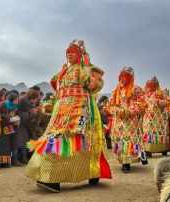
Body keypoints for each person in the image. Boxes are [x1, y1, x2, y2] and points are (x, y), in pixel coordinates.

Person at [26, 40, 111, 192]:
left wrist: (86, 66)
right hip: (61, 110)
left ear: (80, 54)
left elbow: (93, 85)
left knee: (79, 139)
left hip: (80, 109)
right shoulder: (65, 70)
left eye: (73, 51)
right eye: (68, 51)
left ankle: (61, 177)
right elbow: (55, 84)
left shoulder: (84, 68)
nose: (69, 54)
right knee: (54, 138)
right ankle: (49, 175)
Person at [109, 67, 147, 172]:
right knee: (120, 140)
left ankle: (127, 162)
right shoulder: (116, 90)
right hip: (119, 120)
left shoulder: (136, 89)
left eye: (125, 76)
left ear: (130, 78)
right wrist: (116, 110)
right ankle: (123, 160)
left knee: (131, 139)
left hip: (131, 120)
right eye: (121, 76)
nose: (123, 79)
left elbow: (143, 103)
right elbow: (110, 104)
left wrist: (131, 110)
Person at [143, 77, 170, 157]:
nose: (150, 86)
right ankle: (148, 150)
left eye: (152, 84)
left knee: (161, 132)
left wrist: (159, 102)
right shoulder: (146, 95)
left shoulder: (160, 93)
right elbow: (142, 103)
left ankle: (163, 149)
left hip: (159, 118)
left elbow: (167, 101)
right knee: (148, 132)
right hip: (149, 118)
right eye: (149, 85)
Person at [0, 92, 21, 167]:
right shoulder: (3, 104)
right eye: (16, 100)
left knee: (11, 145)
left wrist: (17, 120)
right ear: (12, 99)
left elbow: (16, 114)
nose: (17, 101)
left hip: (11, 127)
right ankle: (1, 163)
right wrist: (10, 119)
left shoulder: (15, 106)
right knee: (3, 145)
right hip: (3, 127)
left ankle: (9, 162)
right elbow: (1, 115)